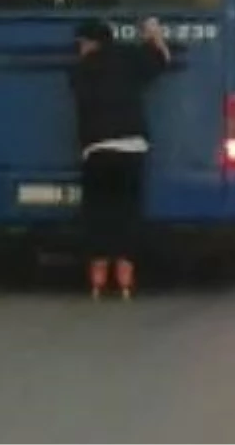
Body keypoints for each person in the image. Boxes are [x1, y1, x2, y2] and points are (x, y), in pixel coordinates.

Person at [69, 17, 170, 299]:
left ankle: (98, 275)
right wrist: (153, 34)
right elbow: (162, 60)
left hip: (97, 149)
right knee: (128, 210)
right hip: (131, 146)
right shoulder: (129, 58)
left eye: (82, 43)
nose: (80, 49)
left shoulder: (80, 70)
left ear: (90, 43)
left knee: (98, 212)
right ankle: (126, 274)